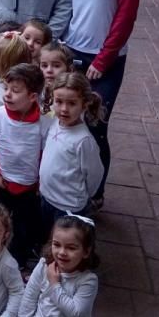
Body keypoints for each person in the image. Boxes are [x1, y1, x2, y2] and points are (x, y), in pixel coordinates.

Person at [62, 0, 142, 209]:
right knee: (64, 119)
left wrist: (103, 60)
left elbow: (125, 17)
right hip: (71, 51)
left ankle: (95, 192)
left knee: (96, 127)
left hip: (104, 59)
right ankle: (66, 183)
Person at [0, 63, 48, 266]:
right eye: (6, 89)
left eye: (16, 91)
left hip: (27, 187)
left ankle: (16, 261)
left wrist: (38, 184)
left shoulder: (44, 125)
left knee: (22, 227)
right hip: (0, 182)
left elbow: (45, 155)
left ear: (32, 97)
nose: (8, 95)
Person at [13, 215, 99, 317]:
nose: (62, 252)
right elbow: (30, 294)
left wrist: (54, 284)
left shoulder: (88, 280)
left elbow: (76, 315)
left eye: (71, 248)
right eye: (57, 244)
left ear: (86, 251)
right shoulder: (44, 264)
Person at [39, 72, 104, 240]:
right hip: (47, 197)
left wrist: (82, 196)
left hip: (68, 206)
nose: (64, 109)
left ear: (84, 104)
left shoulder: (83, 140)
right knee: (48, 237)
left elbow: (95, 174)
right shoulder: (54, 123)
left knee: (65, 242)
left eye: (72, 103)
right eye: (59, 102)